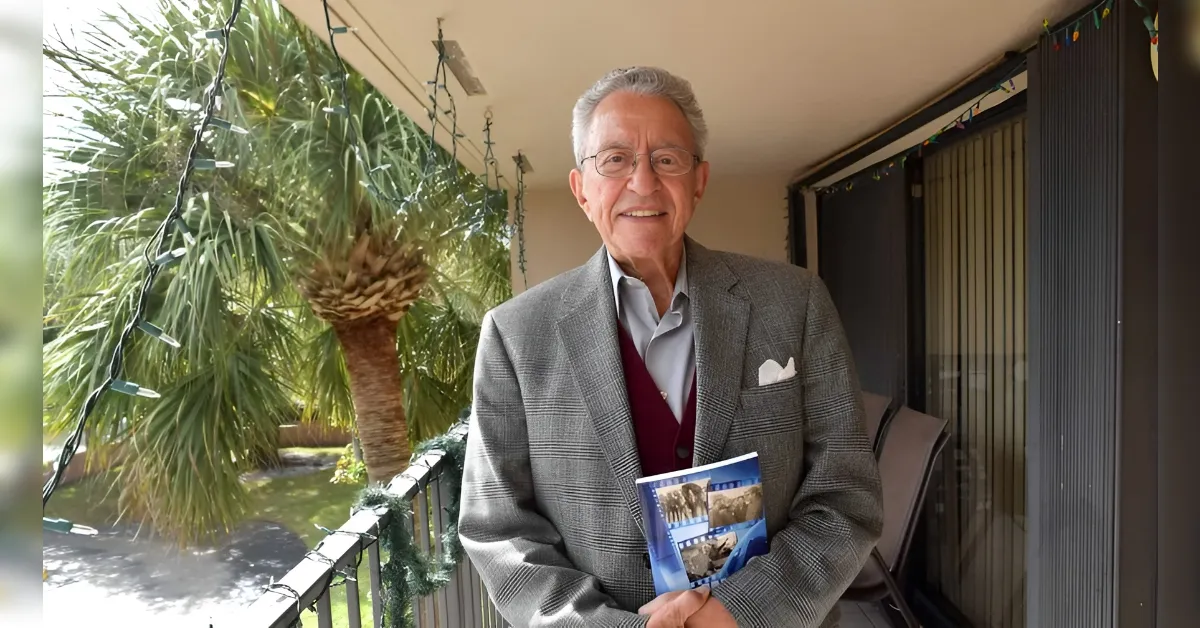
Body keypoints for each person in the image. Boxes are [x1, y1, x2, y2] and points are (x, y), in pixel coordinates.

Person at [458, 66, 884, 627]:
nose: (643, 182)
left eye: (666, 159)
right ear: (582, 190)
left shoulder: (793, 303)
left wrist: (739, 612)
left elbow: (846, 495)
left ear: (698, 181)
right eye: (615, 159)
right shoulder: (516, 335)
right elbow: (497, 530)